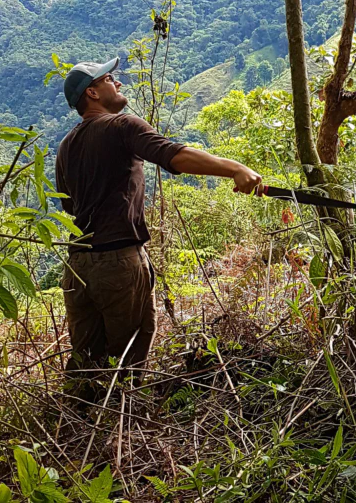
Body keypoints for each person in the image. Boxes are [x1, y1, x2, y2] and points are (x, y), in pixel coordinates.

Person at [55, 57, 263, 387]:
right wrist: (234, 167)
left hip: (78, 265)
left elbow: (68, 204)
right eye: (110, 79)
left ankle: (75, 428)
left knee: (85, 363)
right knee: (127, 363)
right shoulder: (122, 126)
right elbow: (172, 155)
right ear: (92, 93)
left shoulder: (66, 146)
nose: (118, 83)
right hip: (118, 261)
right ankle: (125, 431)